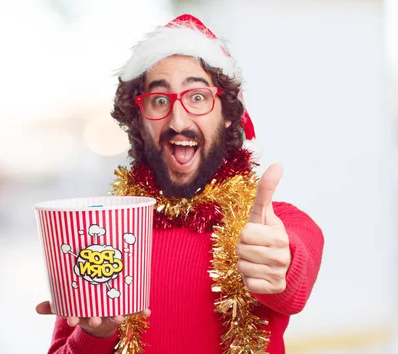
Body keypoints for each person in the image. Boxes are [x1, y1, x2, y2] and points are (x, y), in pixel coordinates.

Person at [36, 14, 324, 354]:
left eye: (197, 97)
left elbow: (296, 264)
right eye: (159, 101)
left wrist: (278, 262)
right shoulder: (99, 233)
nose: (178, 120)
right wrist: (96, 333)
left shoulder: (268, 224)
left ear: (229, 112)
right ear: (138, 120)